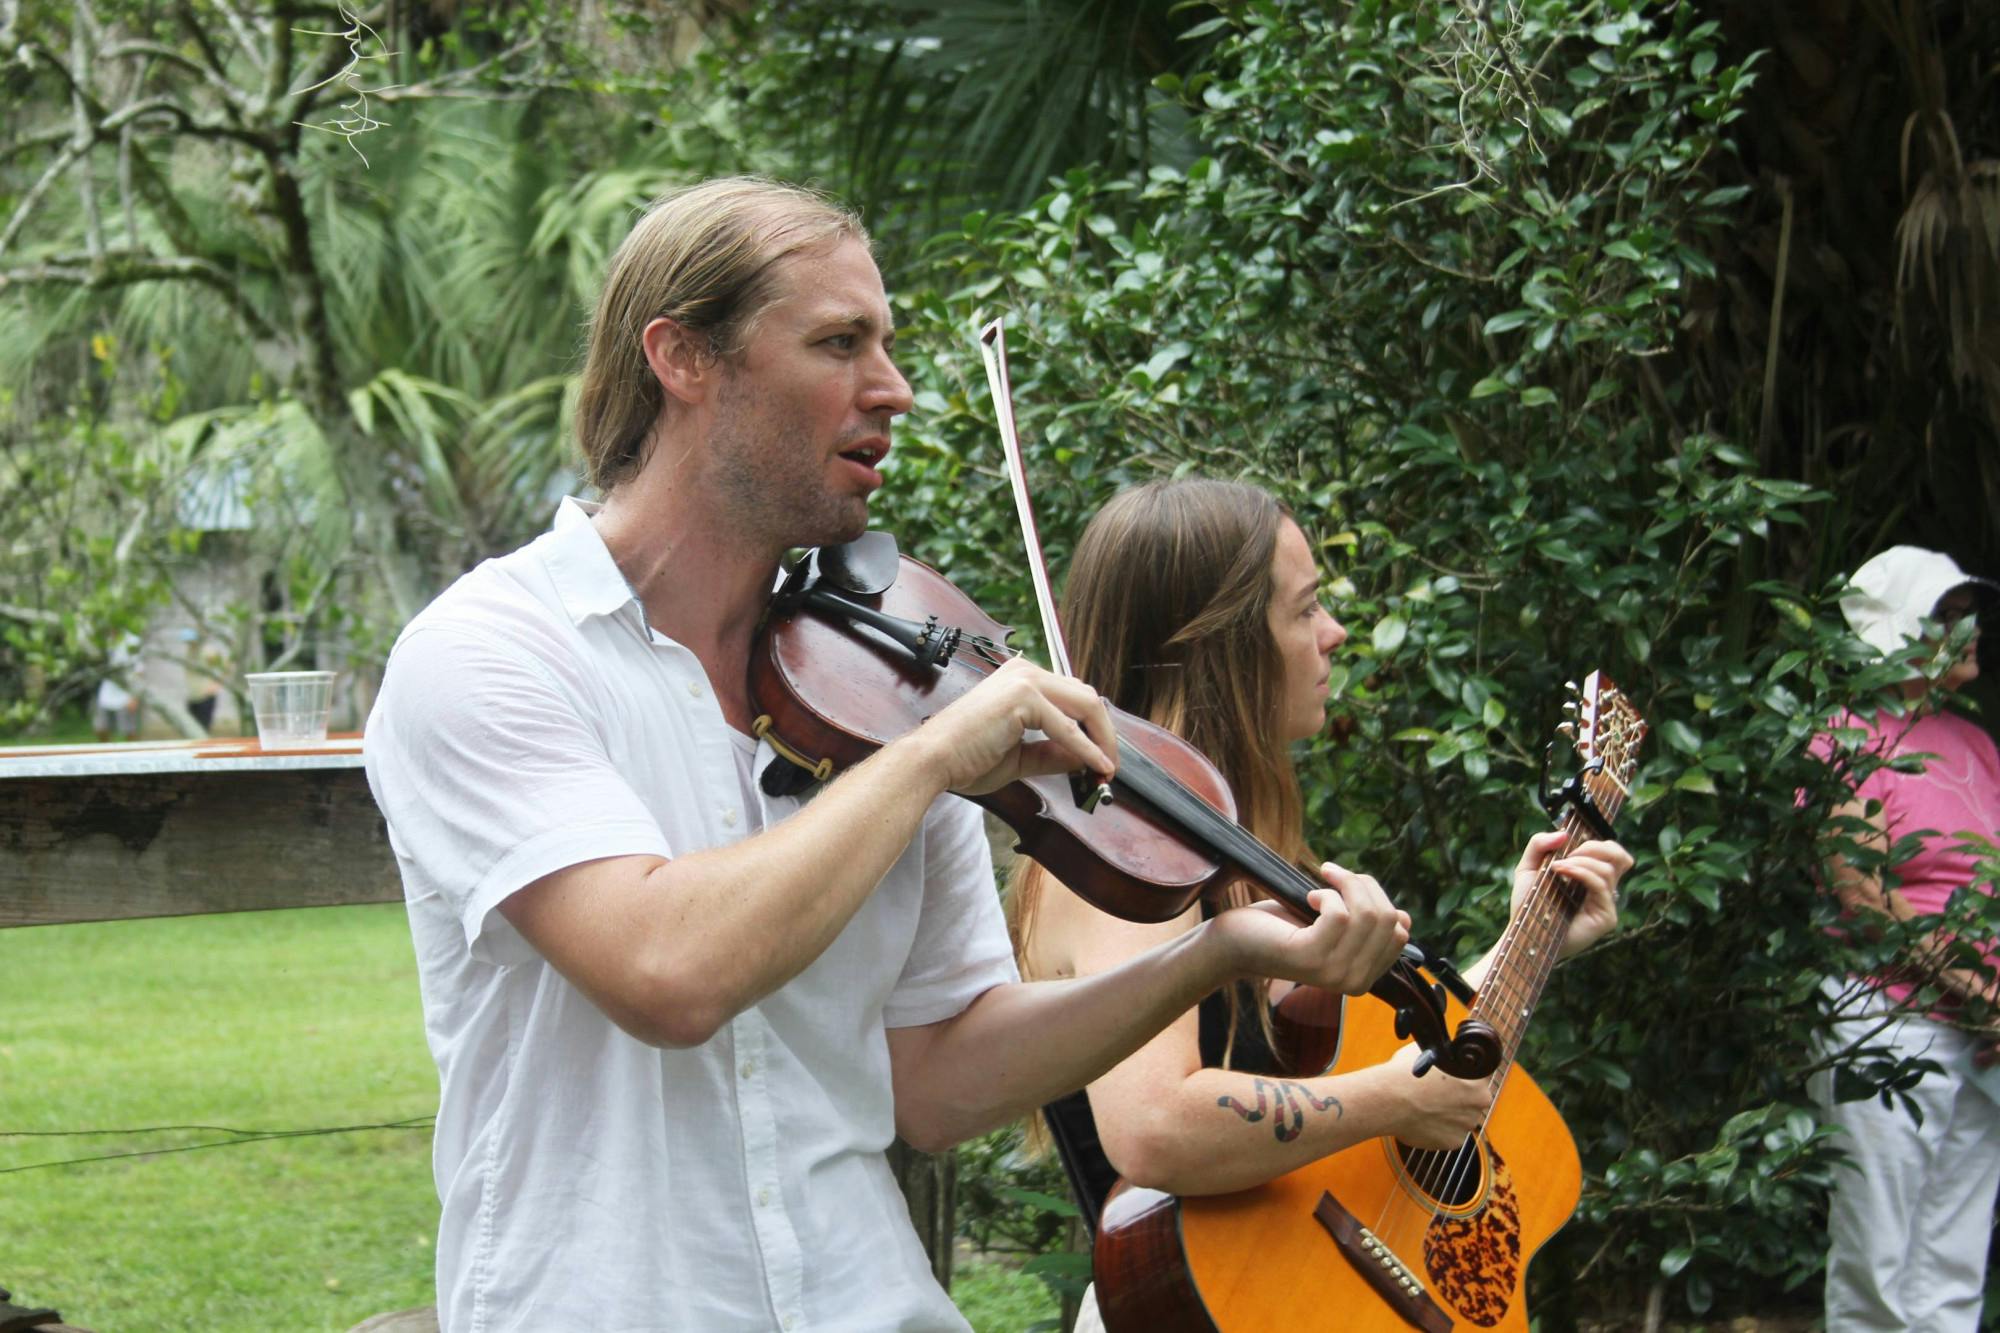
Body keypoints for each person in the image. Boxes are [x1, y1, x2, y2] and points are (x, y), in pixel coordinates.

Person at [363, 178, 1417, 1332]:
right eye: (837, 342)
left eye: (888, 343)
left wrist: (1209, 953)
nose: (894, 388)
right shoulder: (490, 655)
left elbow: (939, 1075)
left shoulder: (882, 686)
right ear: (683, 357)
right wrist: (926, 764)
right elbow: (667, 972)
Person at [1008, 479, 1632, 1331]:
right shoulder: (1120, 852)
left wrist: (1532, 935)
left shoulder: (1236, 853)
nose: (1335, 634)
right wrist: (1393, 1103)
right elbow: (1153, 1126)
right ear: (1222, 647)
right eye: (1304, 611)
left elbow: (1348, 1077)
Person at [1808, 545, 2000, 1332]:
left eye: (1967, 612)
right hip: (1886, 1021)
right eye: (1947, 615)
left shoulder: (1976, 742)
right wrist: (1977, 989)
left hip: (1982, 1033)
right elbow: (1862, 890)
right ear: (1897, 631)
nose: (1971, 628)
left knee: (1952, 1266)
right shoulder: (1849, 735)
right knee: (1878, 1265)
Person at [91, 632, 143, 741]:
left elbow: (138, 670)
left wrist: (134, 696)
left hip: (127, 690)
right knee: (101, 727)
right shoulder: (103, 640)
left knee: (129, 730)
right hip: (107, 689)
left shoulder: (132, 641)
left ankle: (134, 756)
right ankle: (105, 755)